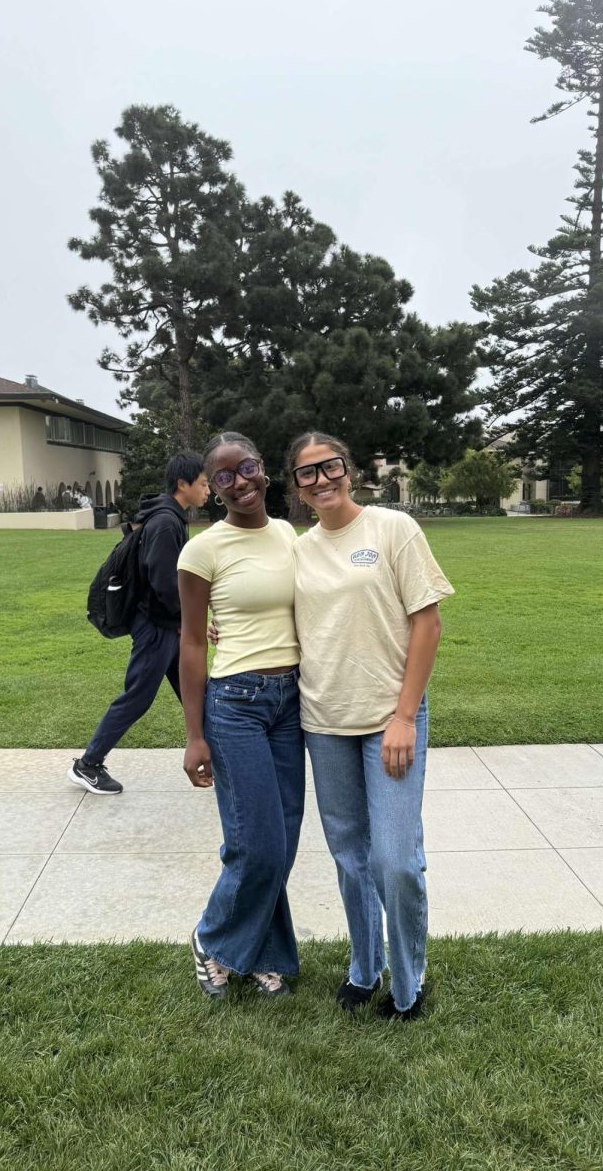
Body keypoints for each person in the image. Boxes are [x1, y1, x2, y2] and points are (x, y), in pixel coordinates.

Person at [287, 431, 453, 1021]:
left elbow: (427, 622)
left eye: (329, 467)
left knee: (395, 858)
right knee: (351, 857)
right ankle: (365, 967)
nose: (321, 480)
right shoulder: (298, 550)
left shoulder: (392, 528)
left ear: (349, 470)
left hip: (391, 719)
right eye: (307, 473)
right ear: (298, 487)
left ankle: (409, 984)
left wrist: (405, 715)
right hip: (325, 721)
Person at [178, 432, 304, 1001]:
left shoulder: (287, 534)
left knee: (283, 840)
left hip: (292, 701)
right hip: (237, 705)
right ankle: (211, 939)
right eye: (224, 476)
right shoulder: (202, 550)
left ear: (263, 469)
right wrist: (193, 734)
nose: (240, 482)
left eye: (246, 467)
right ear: (212, 488)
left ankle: (260, 954)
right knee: (256, 843)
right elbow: (192, 642)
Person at [68, 452, 209, 794]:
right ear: (183, 484)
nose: (208, 490)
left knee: (196, 692)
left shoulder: (168, 517)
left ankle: (217, 759)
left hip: (167, 625)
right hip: (156, 628)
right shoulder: (165, 523)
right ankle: (87, 764)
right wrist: (187, 623)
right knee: (138, 697)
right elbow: (163, 583)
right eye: (204, 483)